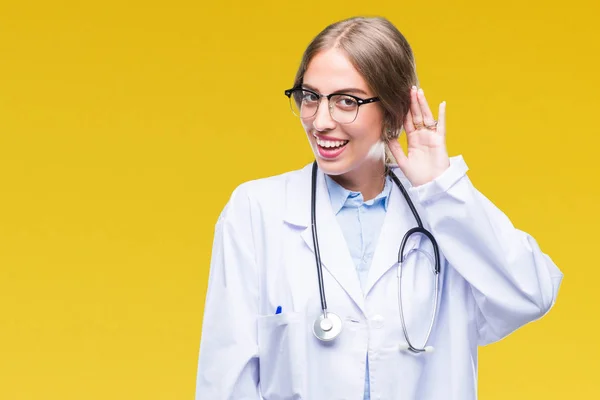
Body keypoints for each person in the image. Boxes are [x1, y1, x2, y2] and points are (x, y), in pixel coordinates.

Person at [194, 16, 563, 400]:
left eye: (346, 101)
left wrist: (442, 188)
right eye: (310, 96)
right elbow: (225, 379)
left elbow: (530, 294)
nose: (320, 121)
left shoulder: (442, 212)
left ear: (393, 108)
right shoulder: (256, 211)